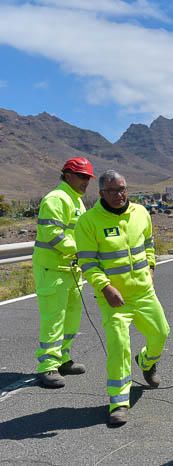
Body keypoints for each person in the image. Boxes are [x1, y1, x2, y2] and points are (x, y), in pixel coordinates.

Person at [75, 170, 170, 426]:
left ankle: (147, 362)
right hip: (113, 299)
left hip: (143, 292)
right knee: (119, 347)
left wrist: (151, 266)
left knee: (161, 333)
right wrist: (105, 287)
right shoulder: (88, 222)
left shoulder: (141, 213)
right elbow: (88, 262)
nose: (120, 195)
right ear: (101, 193)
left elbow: (148, 242)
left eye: (123, 189)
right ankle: (118, 402)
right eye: (114, 191)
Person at [33, 156, 94, 389]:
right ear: (67, 175)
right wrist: (80, 250)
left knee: (71, 318)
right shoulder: (56, 198)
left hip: (71, 270)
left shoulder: (77, 201)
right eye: (81, 176)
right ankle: (47, 365)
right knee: (53, 319)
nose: (85, 181)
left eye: (88, 177)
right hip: (52, 270)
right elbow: (52, 233)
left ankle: (63, 359)